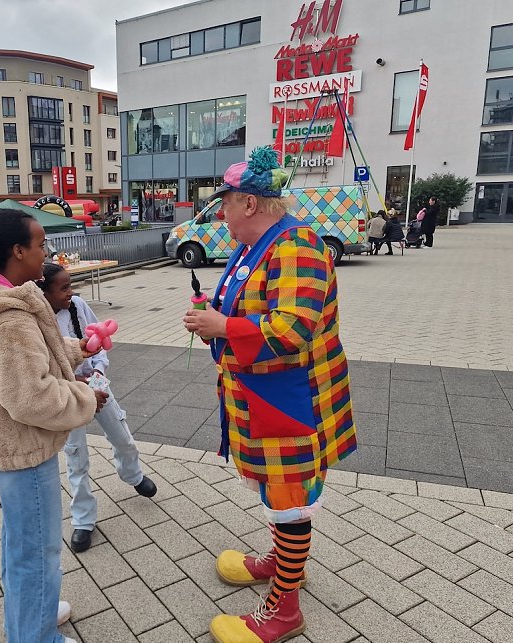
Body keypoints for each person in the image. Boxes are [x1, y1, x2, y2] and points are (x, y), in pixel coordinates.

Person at [183, 147, 357, 643]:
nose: (221, 213)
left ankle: (284, 610)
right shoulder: (254, 247)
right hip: (265, 398)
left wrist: (223, 324)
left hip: (291, 402)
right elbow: (245, 309)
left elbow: (291, 331)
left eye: (226, 204)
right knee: (278, 495)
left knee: (290, 499)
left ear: (251, 205)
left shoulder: (296, 246)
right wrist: (214, 322)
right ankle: (283, 564)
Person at [0, 207, 106, 643]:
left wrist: (80, 348)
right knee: (37, 553)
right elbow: (31, 397)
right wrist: (87, 398)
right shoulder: (8, 317)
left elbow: (33, 360)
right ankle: (35, 635)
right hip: (24, 448)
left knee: (23, 547)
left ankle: (36, 616)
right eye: (41, 244)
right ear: (17, 251)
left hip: (15, 448)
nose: (47, 252)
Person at [36, 263, 157, 553]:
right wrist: (73, 381)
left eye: (71, 286)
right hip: (68, 395)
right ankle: (83, 519)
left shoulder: (77, 305)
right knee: (76, 455)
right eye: (63, 288)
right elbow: (41, 368)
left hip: (97, 384)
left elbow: (99, 342)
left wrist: (98, 373)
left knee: (122, 436)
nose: (71, 292)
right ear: (44, 292)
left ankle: (132, 474)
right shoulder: (37, 322)